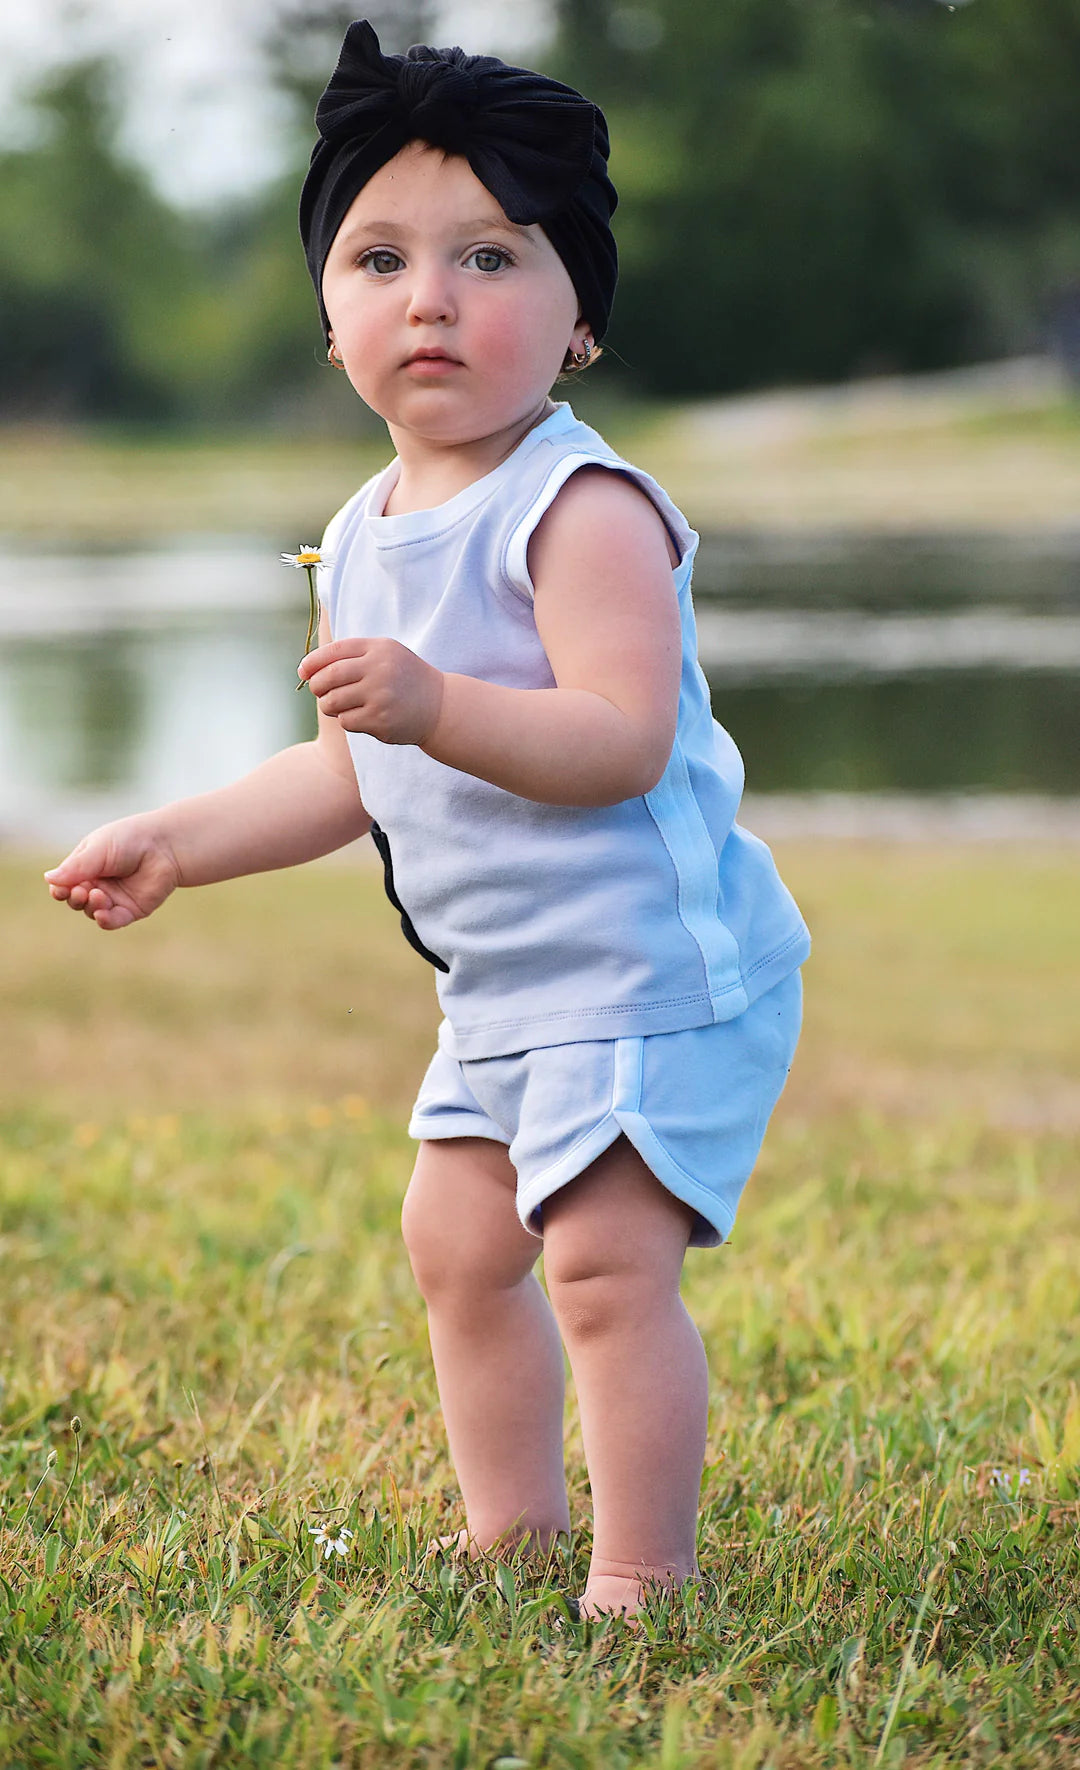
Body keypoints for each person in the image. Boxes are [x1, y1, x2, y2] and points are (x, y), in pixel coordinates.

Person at [44, 19, 810, 1623]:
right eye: (379, 257)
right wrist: (180, 838)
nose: (431, 297)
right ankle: (511, 1527)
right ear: (331, 323)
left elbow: (614, 738)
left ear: (579, 313)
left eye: (489, 255)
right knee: (457, 1246)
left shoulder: (580, 508)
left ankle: (641, 1575)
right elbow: (354, 767)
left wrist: (435, 701)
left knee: (602, 1264)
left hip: (648, 968)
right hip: (505, 991)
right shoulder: (362, 531)